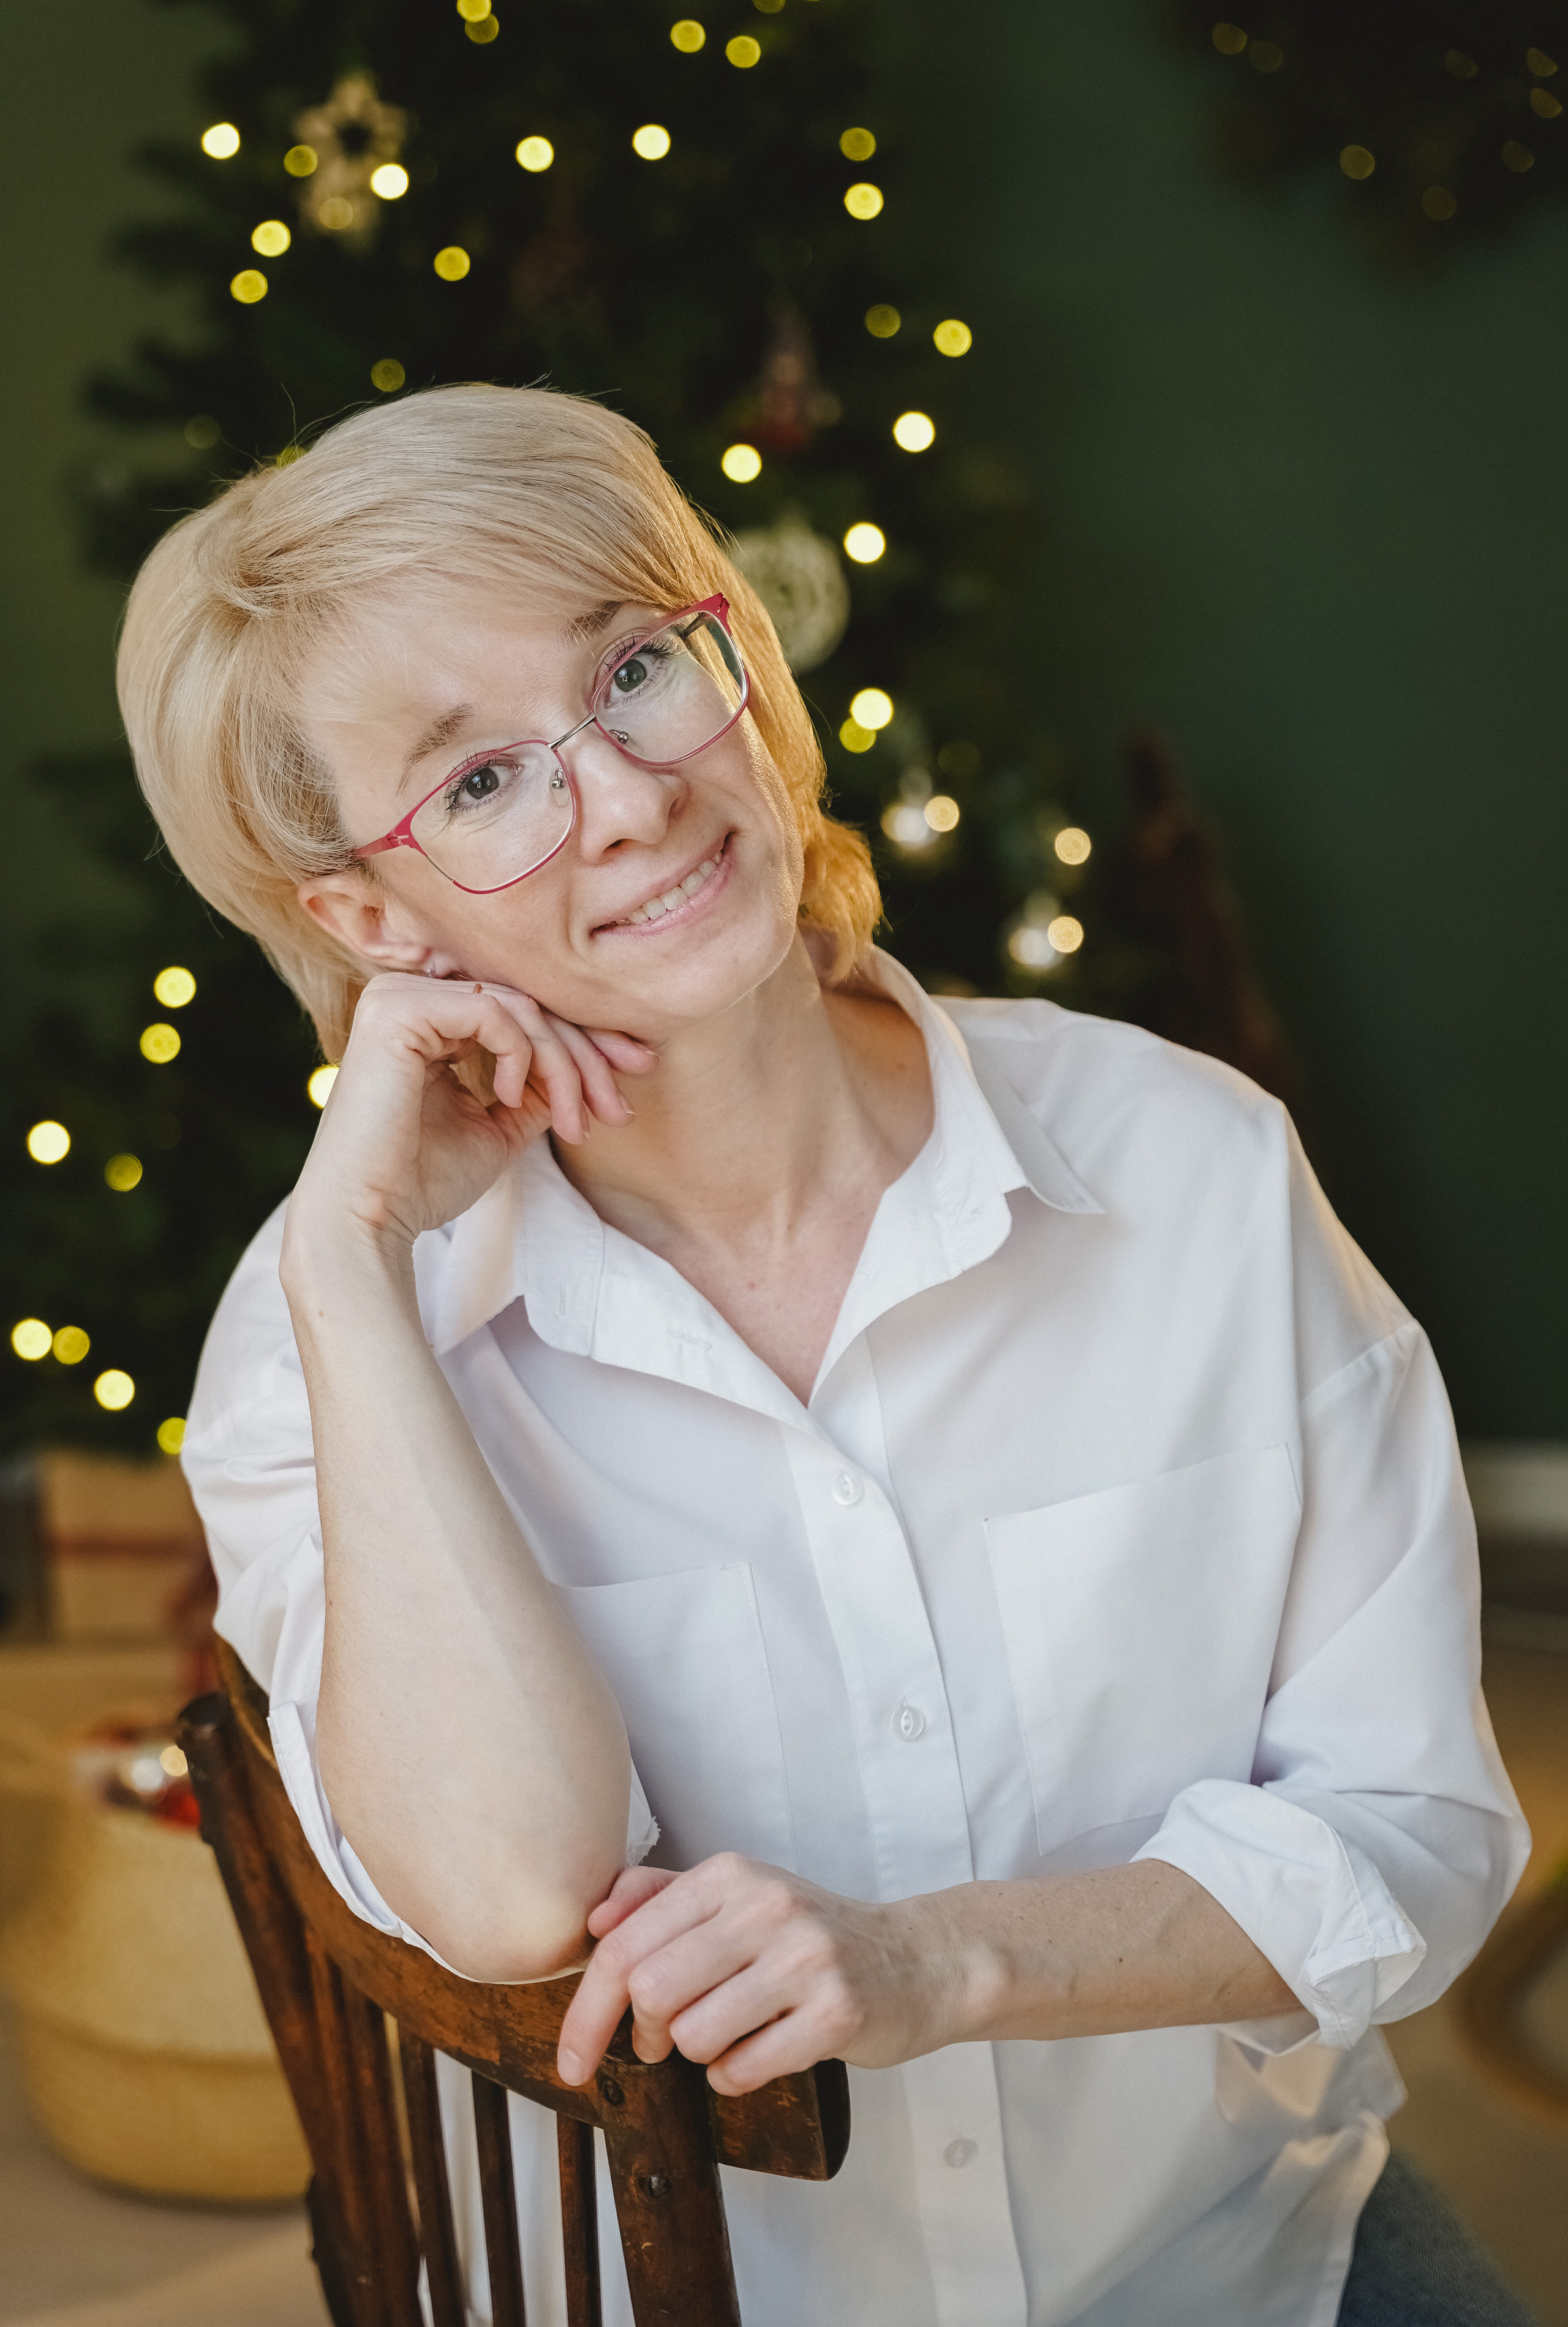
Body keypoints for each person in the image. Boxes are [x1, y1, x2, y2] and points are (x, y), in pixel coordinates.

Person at [119, 385, 1532, 2327]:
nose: (622, 794)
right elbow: (512, 1895)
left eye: (635, 668)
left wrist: (943, 1962)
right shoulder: (325, 1336)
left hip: (1236, 2262)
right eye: (474, 786)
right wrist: (355, 1267)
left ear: (750, 664)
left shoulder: (1192, 1169)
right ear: (373, 917)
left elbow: (1413, 1835)